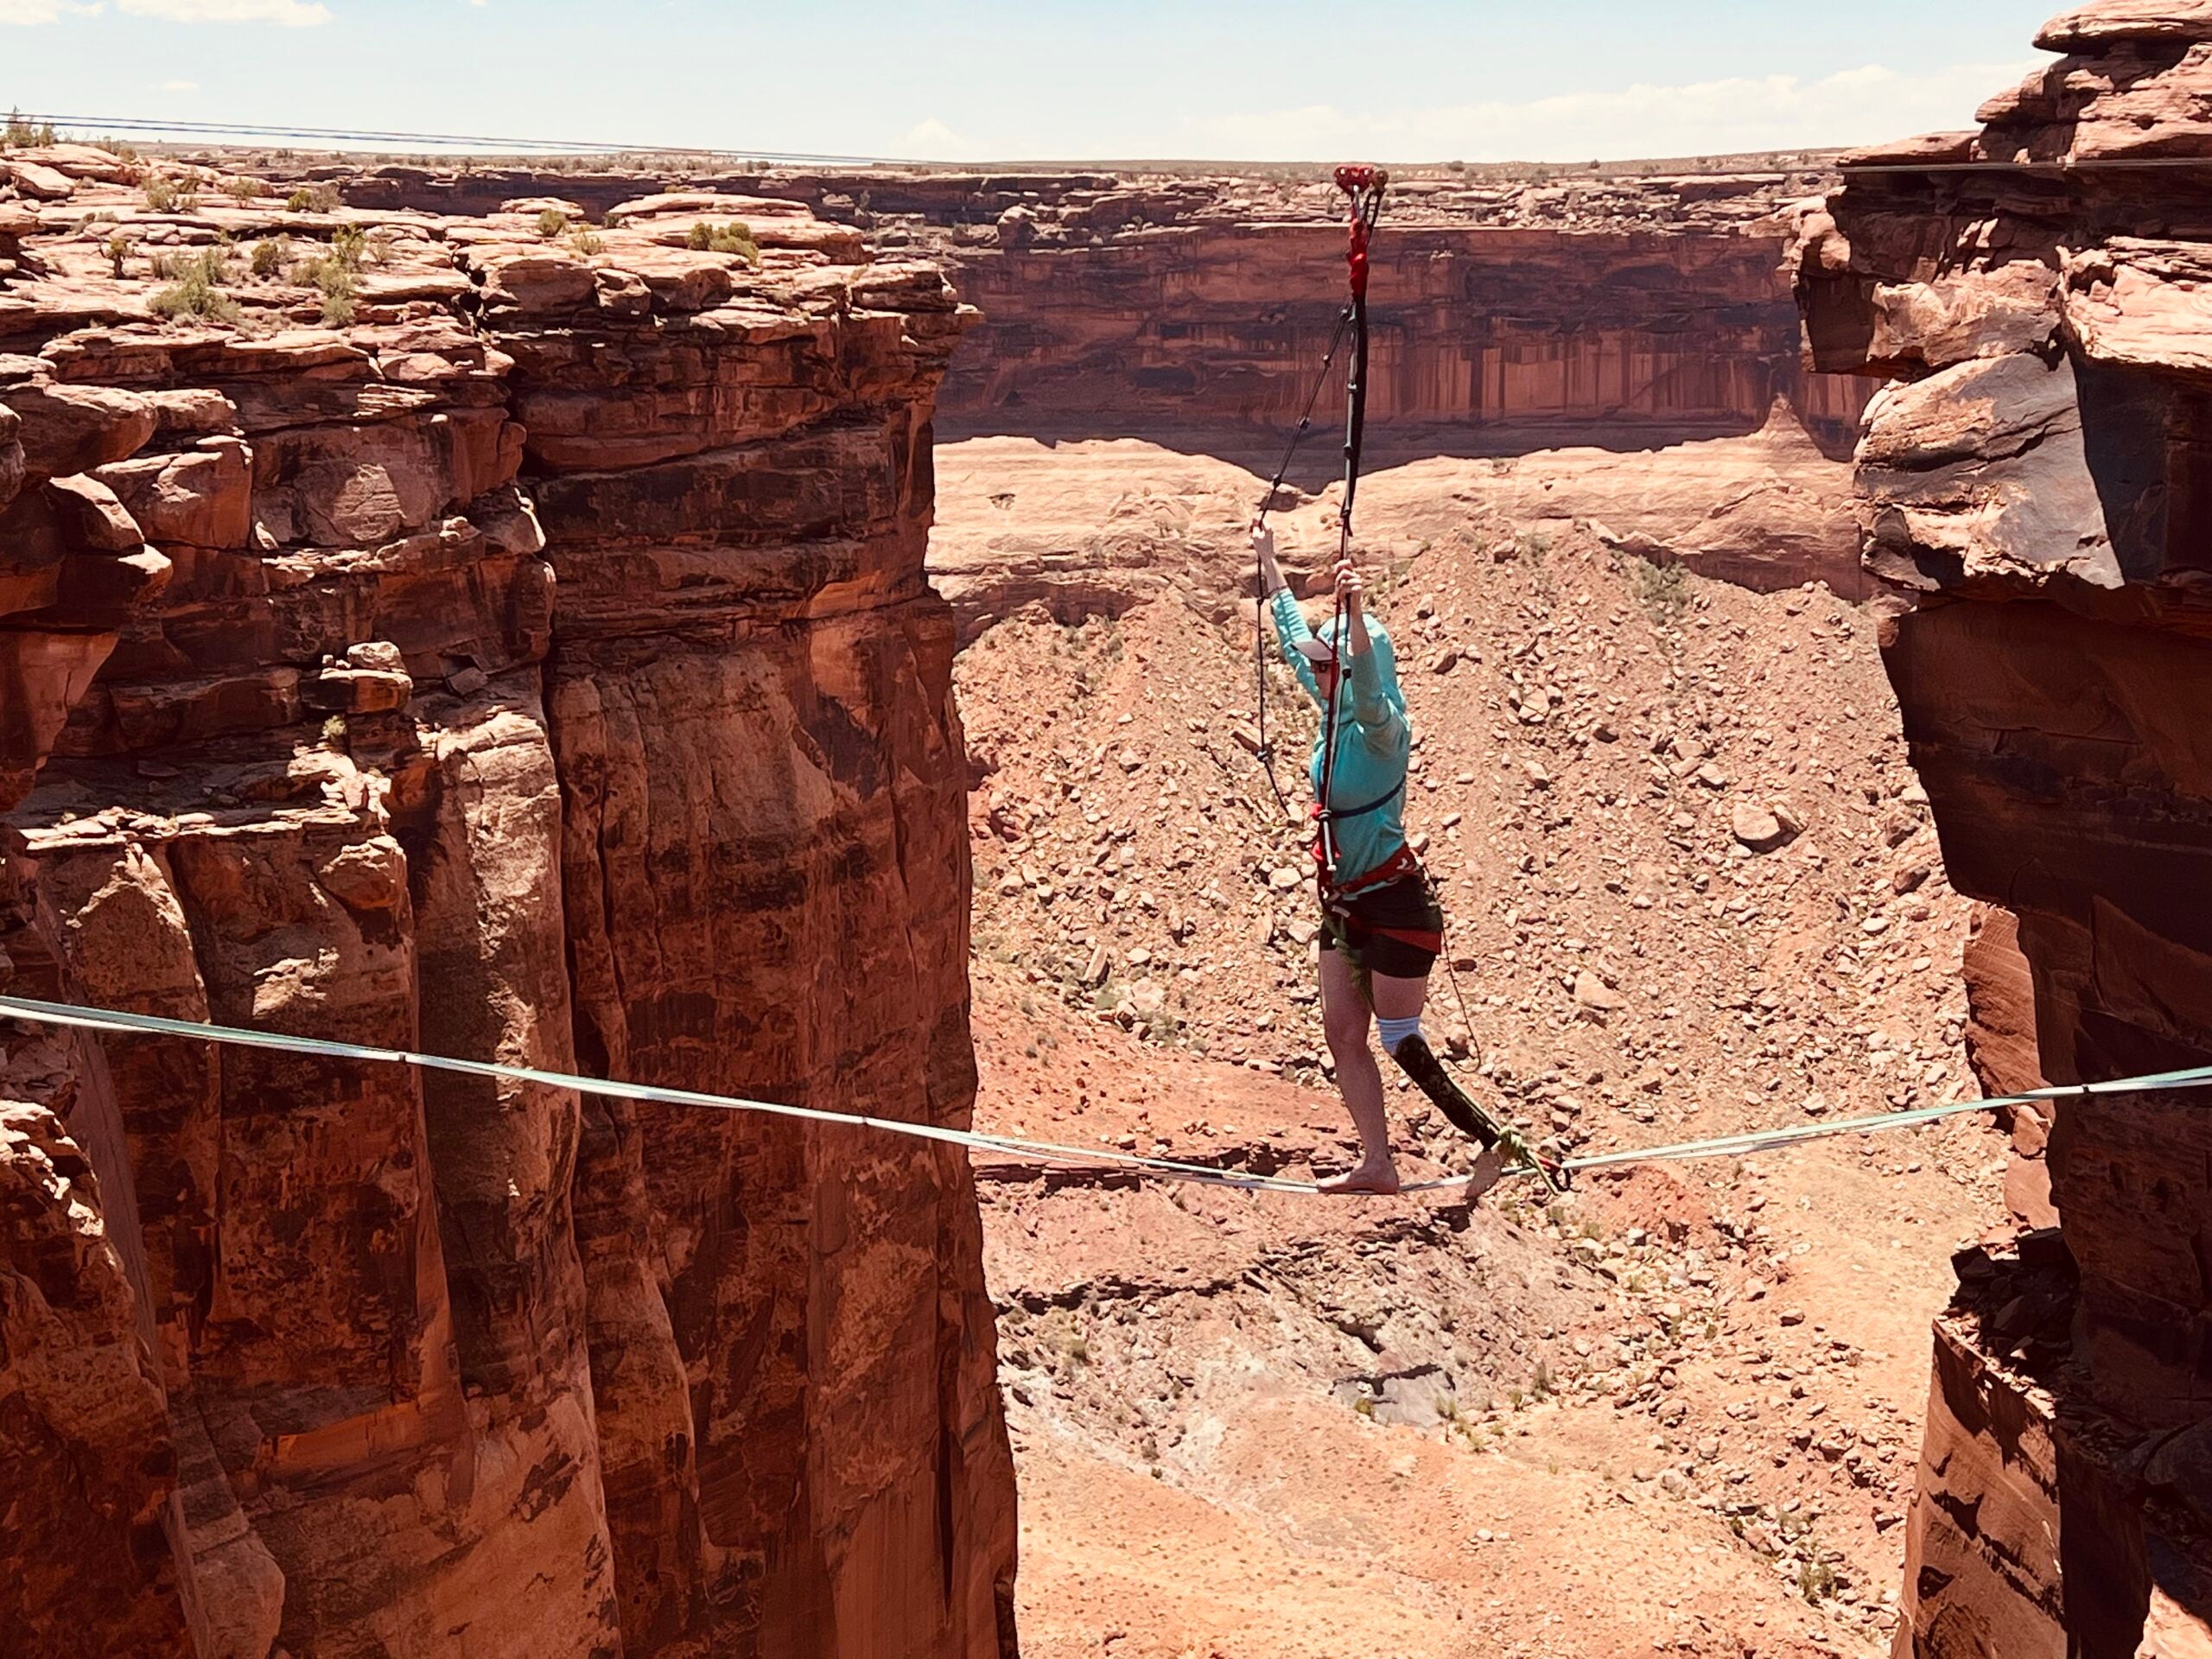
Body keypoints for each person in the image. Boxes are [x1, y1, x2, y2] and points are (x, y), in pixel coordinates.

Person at [1253, 521, 1512, 1197]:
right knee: (1343, 1033)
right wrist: (1269, 560)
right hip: (1344, 905)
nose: (1315, 671)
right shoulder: (1330, 708)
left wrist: (1357, 613)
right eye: (1318, 665)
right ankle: (1378, 1163)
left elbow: (1369, 688)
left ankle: (1494, 1138)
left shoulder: (1381, 730)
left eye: (1327, 664)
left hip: (1395, 903)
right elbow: (1291, 643)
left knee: (1399, 1036)